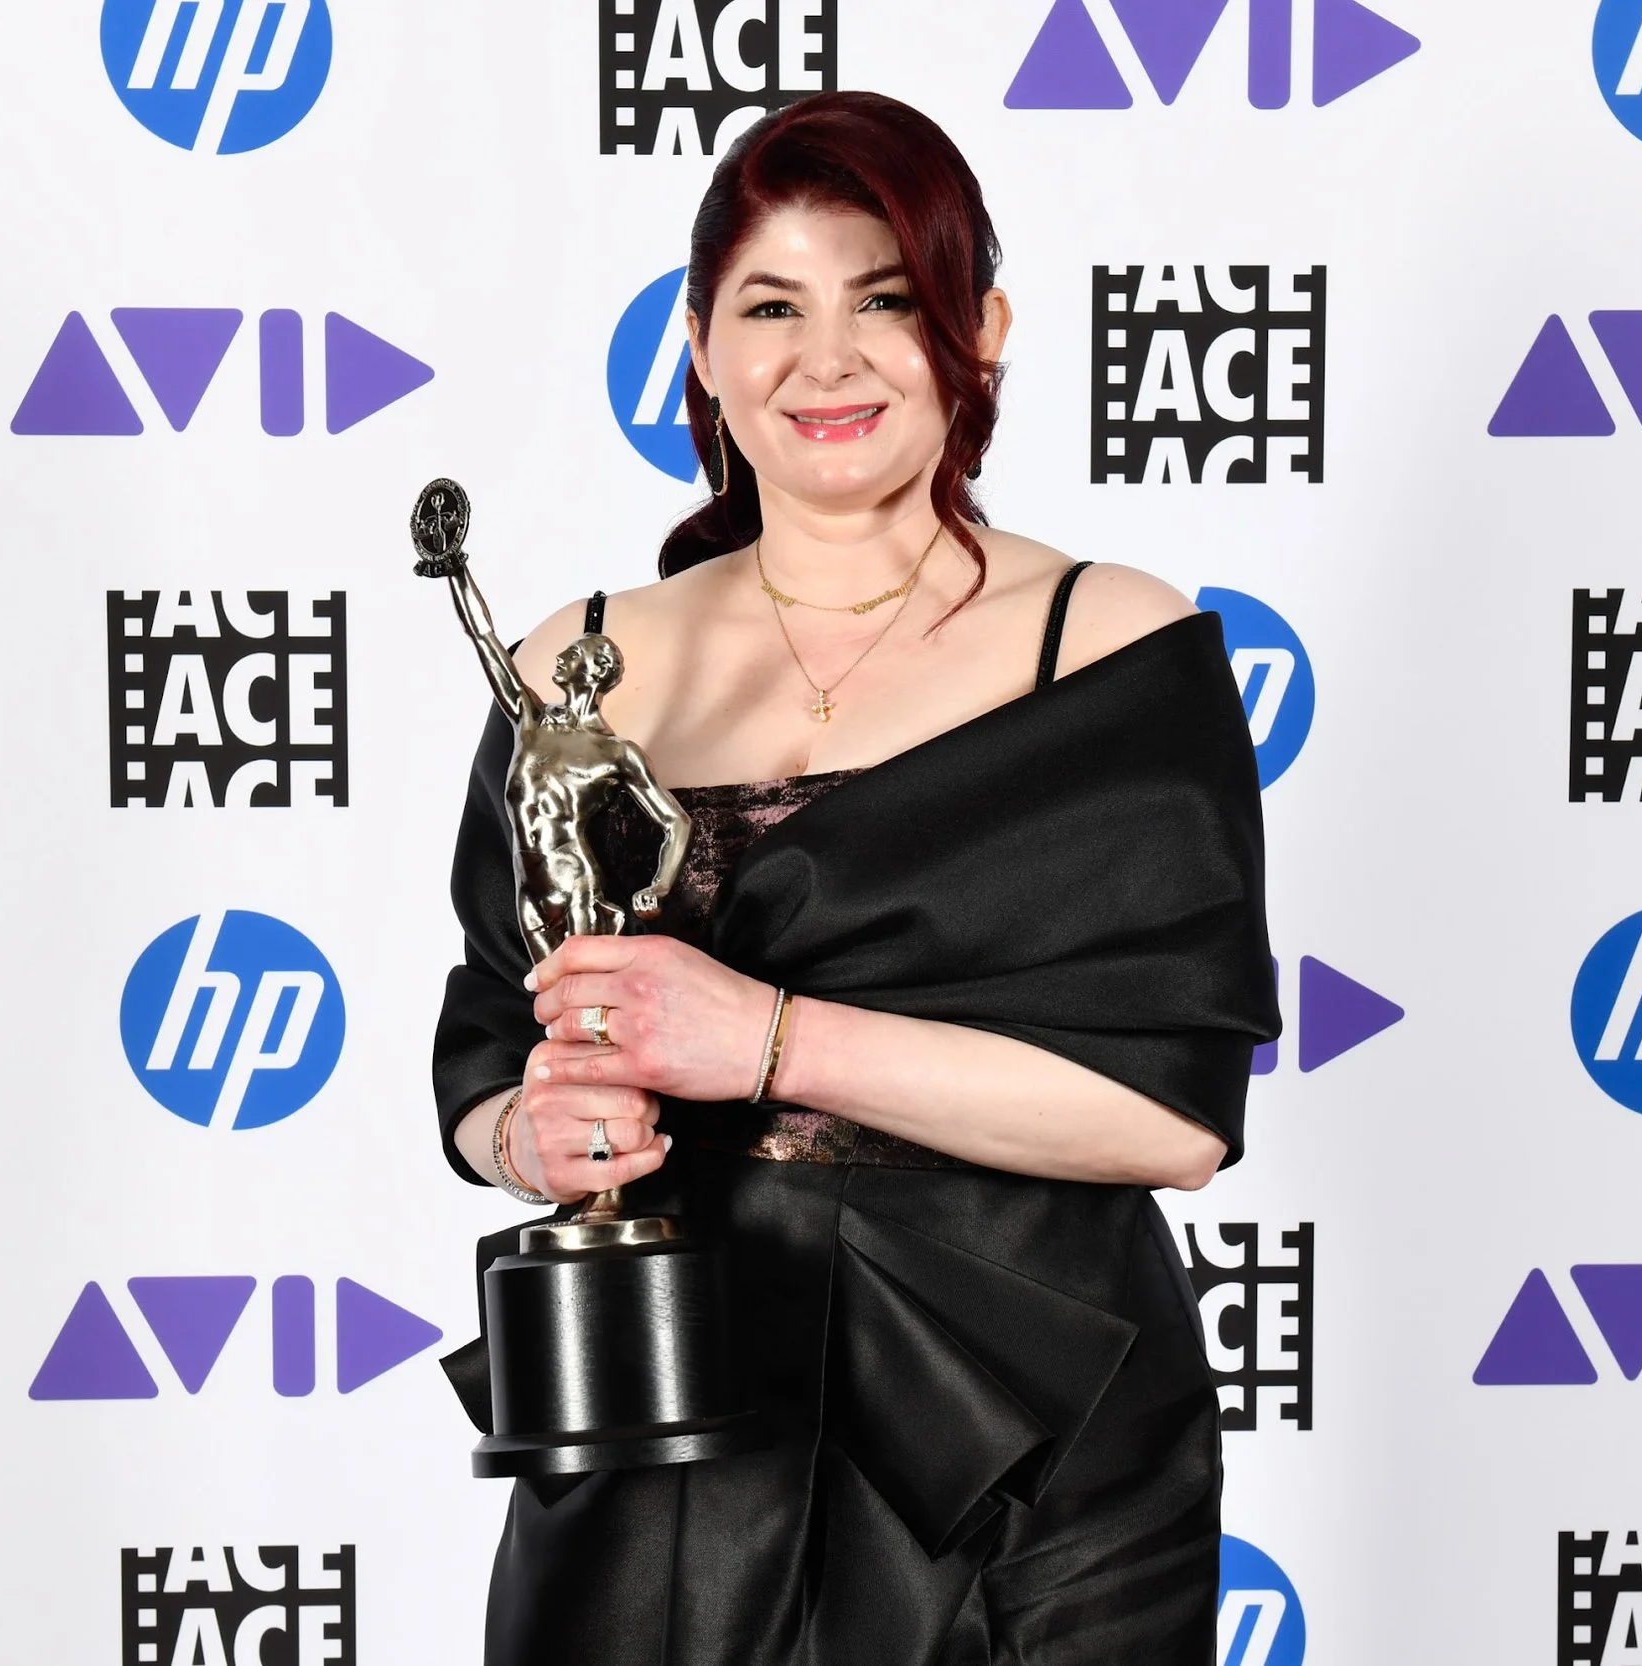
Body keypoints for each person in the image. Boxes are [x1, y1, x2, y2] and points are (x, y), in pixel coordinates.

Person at [431, 90, 1279, 1666]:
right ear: (698, 346)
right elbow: (490, 1042)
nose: (828, 359)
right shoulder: (575, 666)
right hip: (663, 1438)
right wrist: (531, 1137)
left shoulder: (1108, 644)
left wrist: (764, 1040)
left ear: (983, 330)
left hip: (1026, 1459)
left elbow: (1171, 1119)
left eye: (885, 300)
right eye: (772, 307)